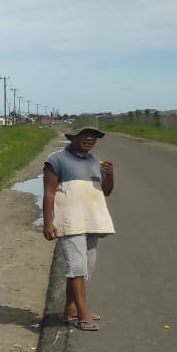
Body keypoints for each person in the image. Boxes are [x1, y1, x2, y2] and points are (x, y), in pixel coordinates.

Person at [42, 116, 115, 331]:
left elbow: (106, 191)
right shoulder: (56, 159)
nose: (89, 138)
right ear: (73, 135)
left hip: (92, 219)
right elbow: (47, 193)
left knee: (86, 267)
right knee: (77, 266)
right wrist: (48, 222)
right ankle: (83, 313)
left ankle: (70, 309)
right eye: (85, 134)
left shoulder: (95, 160)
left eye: (93, 135)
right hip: (69, 220)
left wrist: (110, 175)